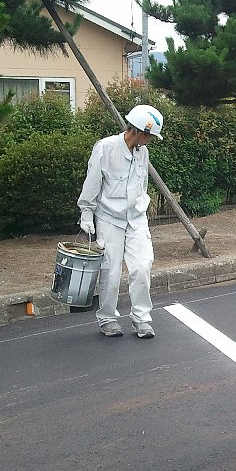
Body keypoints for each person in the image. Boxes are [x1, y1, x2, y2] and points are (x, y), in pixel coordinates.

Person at [77, 104, 164, 339]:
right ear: (140, 132)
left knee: (142, 266)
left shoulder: (142, 152)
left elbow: (141, 185)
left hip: (136, 219)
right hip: (109, 219)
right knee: (110, 272)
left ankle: (141, 319)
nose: (151, 141)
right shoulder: (106, 148)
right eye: (150, 136)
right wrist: (87, 213)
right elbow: (92, 182)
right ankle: (107, 318)